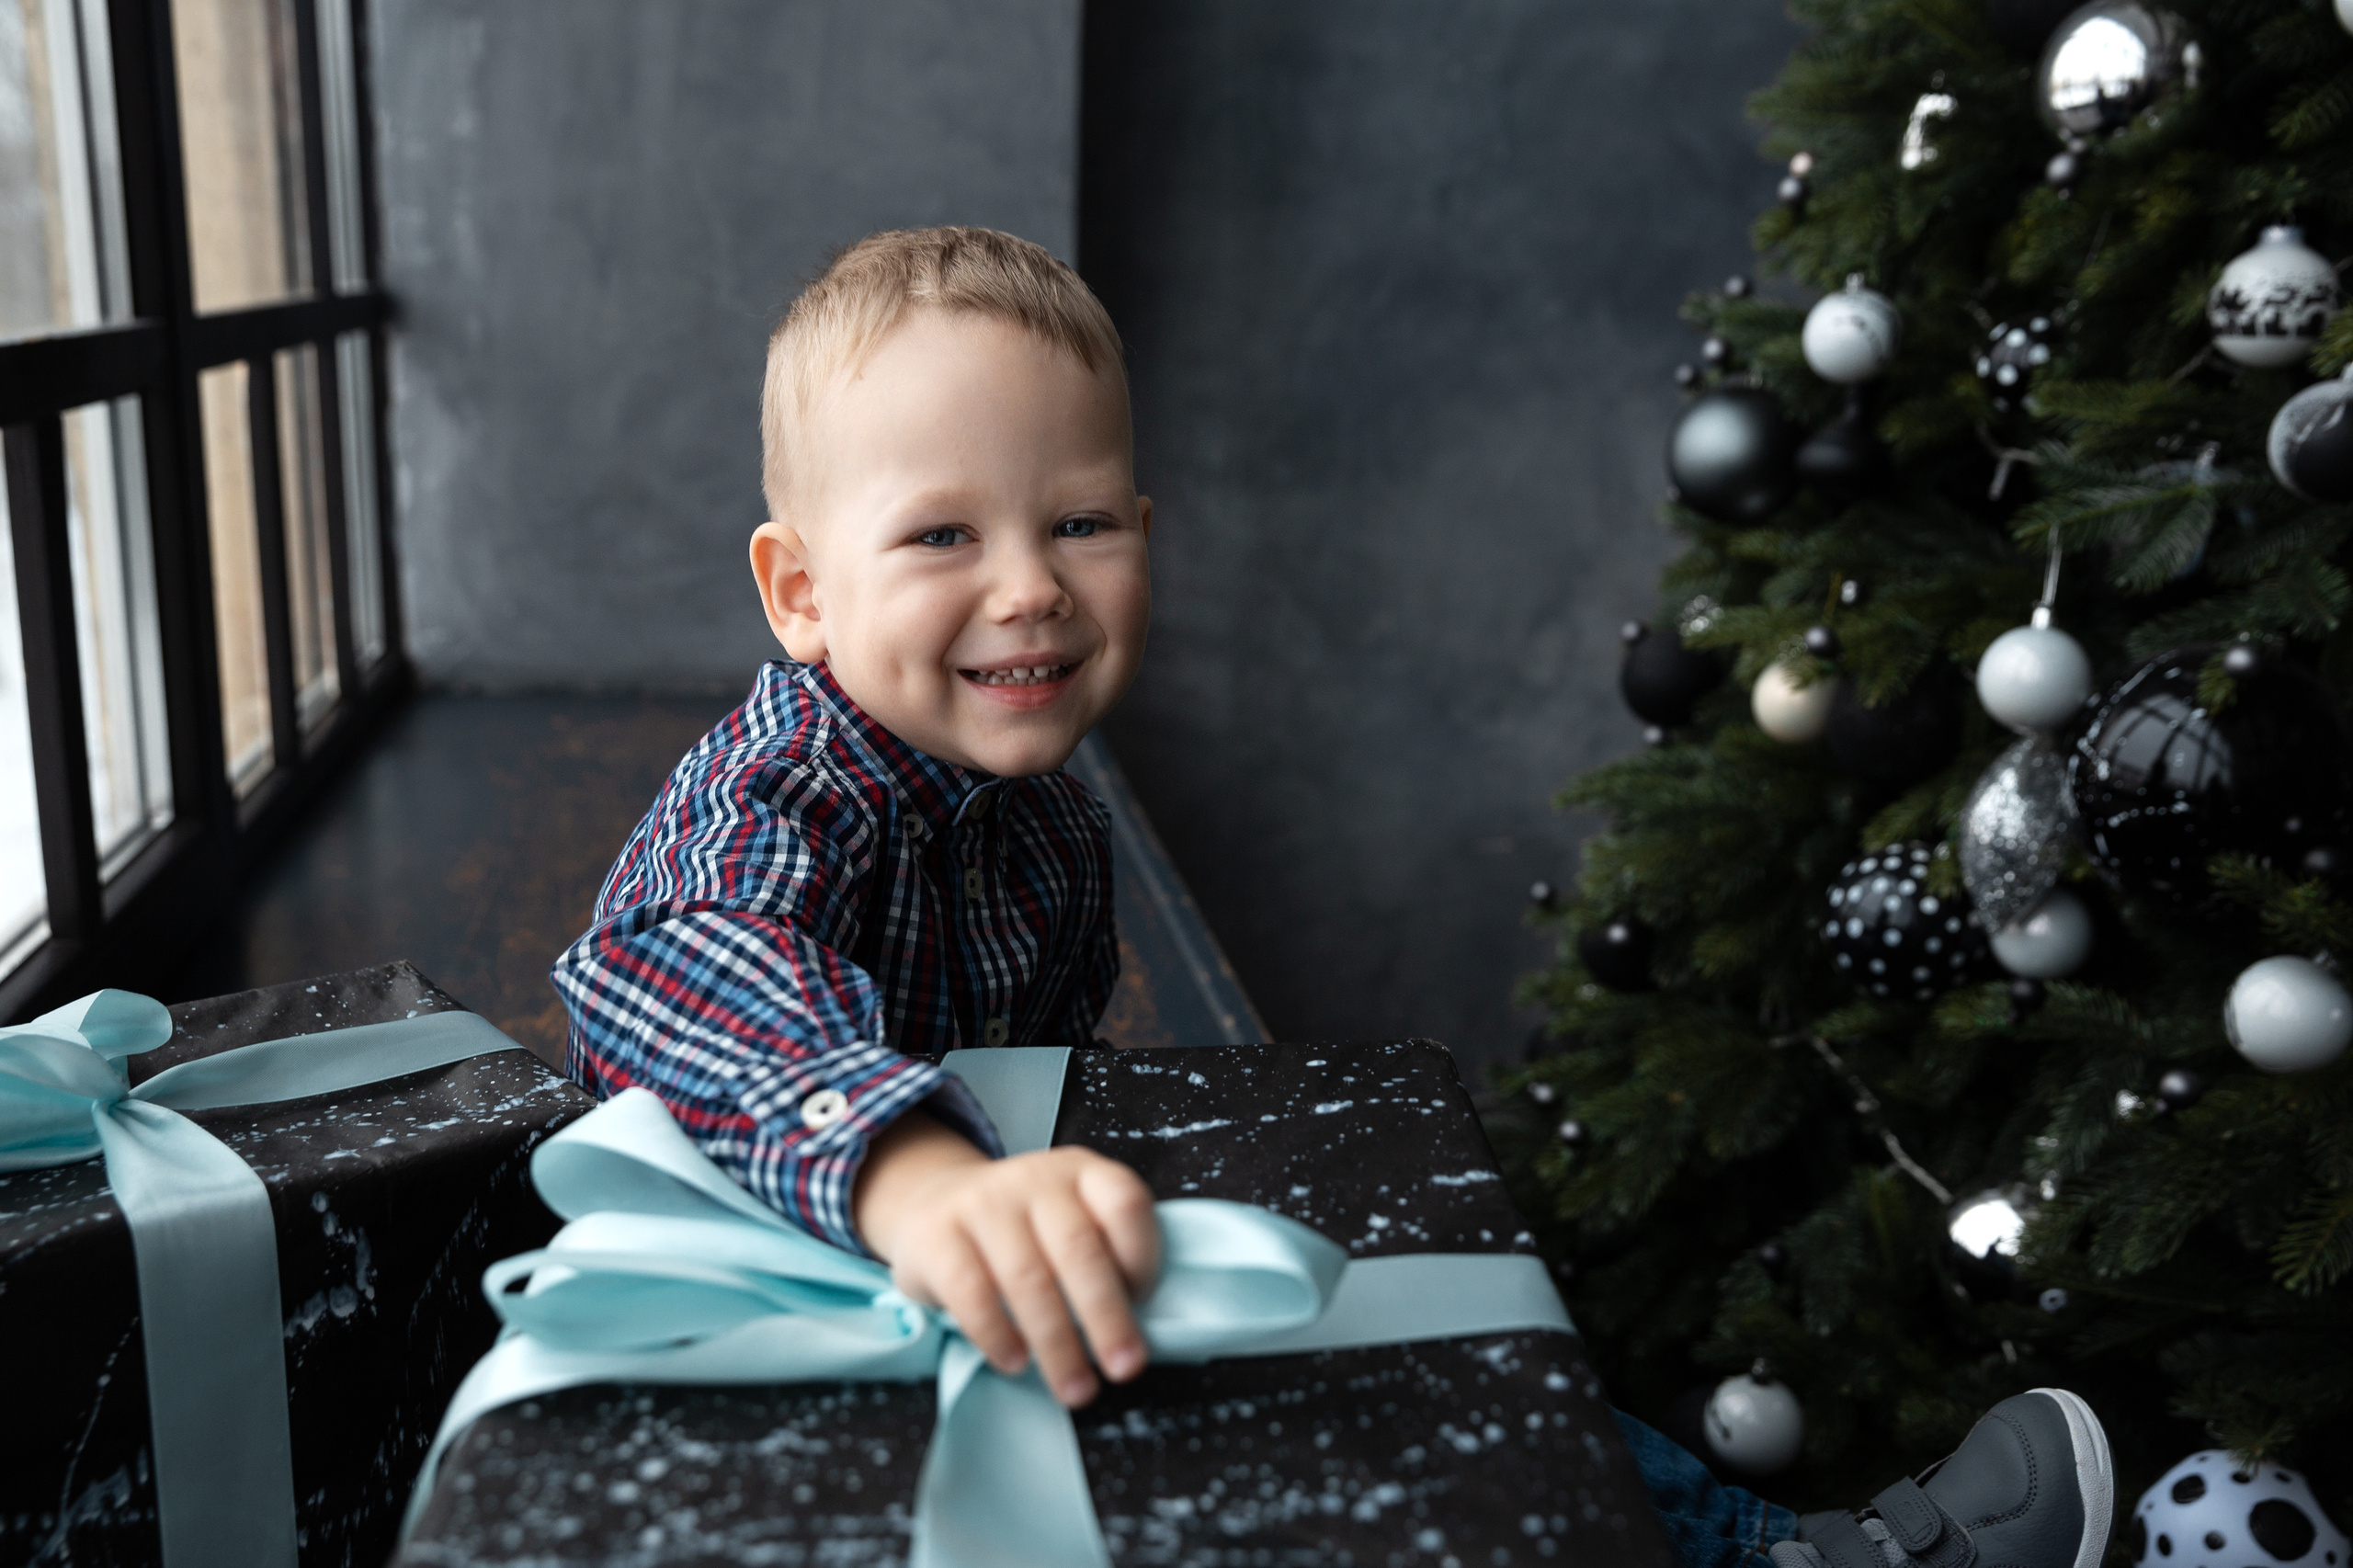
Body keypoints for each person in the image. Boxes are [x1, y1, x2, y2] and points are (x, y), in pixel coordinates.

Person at [551, 224, 2115, 1568]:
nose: (1028, 581)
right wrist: (918, 1178)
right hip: (759, 1329)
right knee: (1338, 1357)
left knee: (1375, 1302)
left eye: (1079, 522)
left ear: (1143, 540)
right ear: (801, 591)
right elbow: (659, 967)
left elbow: (1046, 1092)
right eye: (944, 532)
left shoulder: (1044, 827)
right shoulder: (787, 792)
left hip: (973, 1306)